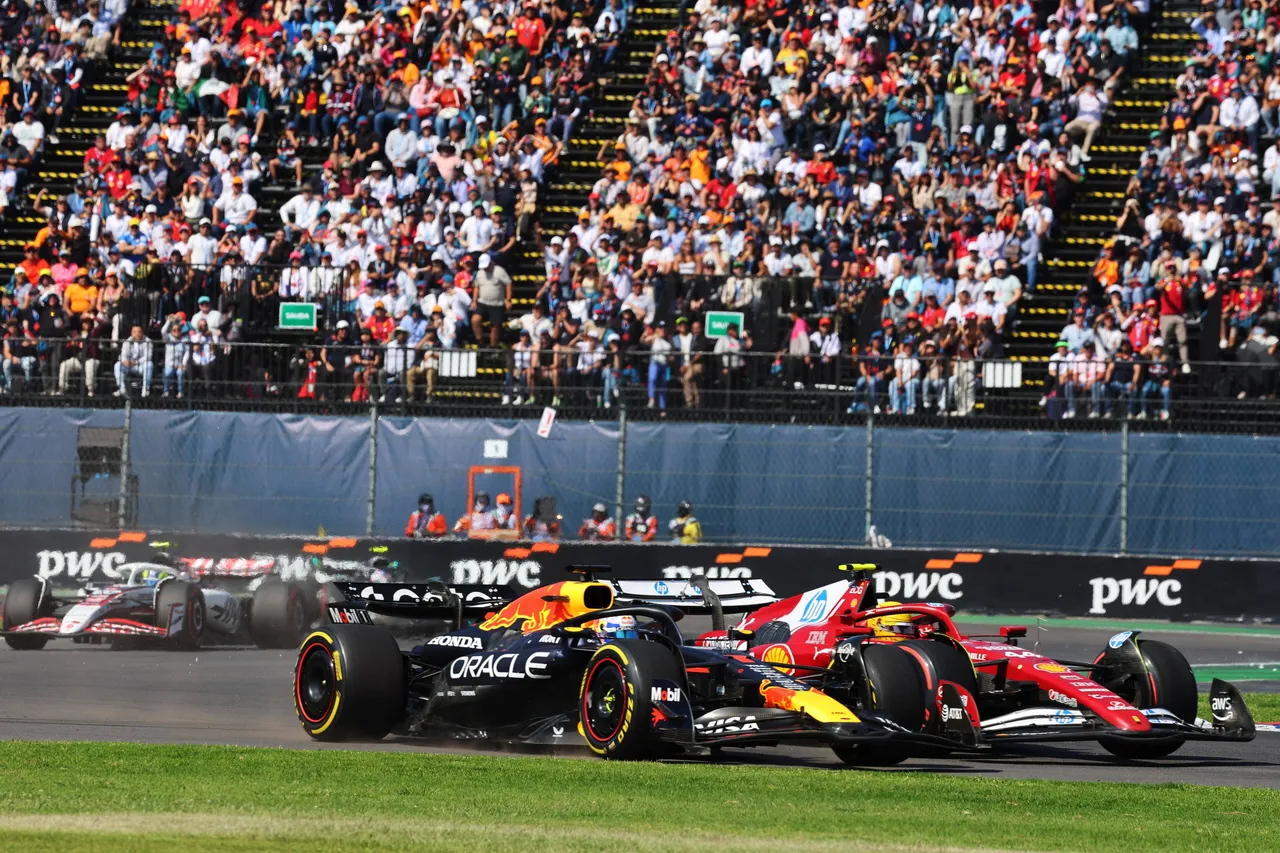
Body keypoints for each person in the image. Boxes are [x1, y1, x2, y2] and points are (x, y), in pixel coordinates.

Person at [114, 324, 153, 397]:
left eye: (139, 332)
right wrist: (125, 361)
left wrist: (136, 362)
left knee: (149, 364)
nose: (137, 334)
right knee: (117, 365)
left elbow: (148, 356)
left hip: (141, 366)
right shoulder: (127, 342)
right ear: (131, 333)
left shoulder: (148, 341)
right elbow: (123, 356)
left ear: (142, 333)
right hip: (129, 366)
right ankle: (122, 389)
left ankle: (145, 390)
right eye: (135, 332)